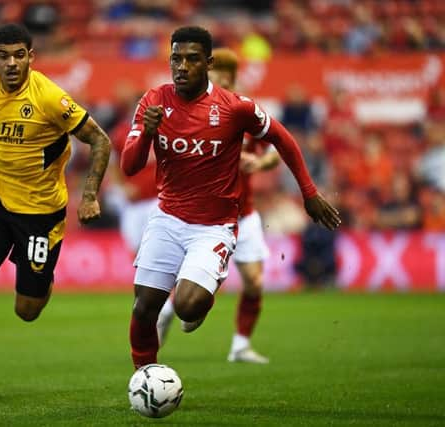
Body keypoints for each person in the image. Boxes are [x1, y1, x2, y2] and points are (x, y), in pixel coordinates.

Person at [121, 26, 340, 370]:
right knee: (144, 307)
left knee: (188, 306)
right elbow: (130, 166)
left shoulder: (235, 107)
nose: (181, 66)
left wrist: (309, 192)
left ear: (207, 63)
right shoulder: (153, 101)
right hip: (167, 218)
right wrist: (146, 134)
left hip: (215, 226)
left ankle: (211, 296)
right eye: (175, 59)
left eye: (191, 59)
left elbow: (284, 139)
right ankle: (143, 376)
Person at [0, 23, 111, 403]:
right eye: (3, 56)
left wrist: (90, 195)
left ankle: (42, 281)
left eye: (19, 55)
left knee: (27, 309)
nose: (11, 63)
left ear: (31, 56)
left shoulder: (50, 97)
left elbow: (99, 139)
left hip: (42, 214)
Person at [155, 47, 280, 364]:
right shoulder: (193, 112)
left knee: (254, 282)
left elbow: (277, 148)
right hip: (205, 217)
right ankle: (170, 309)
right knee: (202, 282)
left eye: (226, 78)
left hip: (244, 212)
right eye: (216, 76)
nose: (221, 82)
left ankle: (240, 345)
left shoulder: (244, 110)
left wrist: (261, 164)